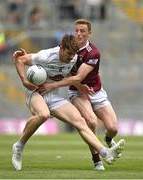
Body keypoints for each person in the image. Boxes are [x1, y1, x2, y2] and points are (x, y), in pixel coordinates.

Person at [12, 34, 125, 171]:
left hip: (53, 96)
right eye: (68, 54)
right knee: (43, 114)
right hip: (36, 92)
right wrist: (24, 81)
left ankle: (104, 152)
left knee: (80, 121)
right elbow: (20, 60)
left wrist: (80, 86)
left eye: (73, 55)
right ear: (61, 48)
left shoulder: (73, 58)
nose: (70, 57)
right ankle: (19, 146)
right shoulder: (45, 56)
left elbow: (69, 75)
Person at [38, 19, 122, 171]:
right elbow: (61, 66)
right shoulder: (67, 47)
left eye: (82, 31)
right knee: (91, 121)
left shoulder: (93, 52)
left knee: (113, 128)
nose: (79, 34)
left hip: (96, 91)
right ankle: (97, 161)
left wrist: (52, 85)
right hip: (77, 92)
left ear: (89, 34)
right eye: (76, 30)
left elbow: (78, 77)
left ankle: (108, 139)